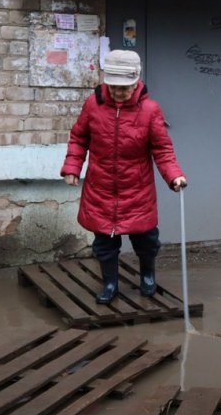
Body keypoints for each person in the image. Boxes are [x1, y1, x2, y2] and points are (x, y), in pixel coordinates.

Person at [61, 50, 187, 305]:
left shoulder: (150, 110)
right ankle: (110, 283)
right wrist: (72, 167)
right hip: (101, 187)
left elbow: (162, 149)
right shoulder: (92, 105)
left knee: (146, 239)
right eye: (115, 87)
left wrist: (174, 176)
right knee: (105, 242)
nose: (120, 93)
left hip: (137, 188)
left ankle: (148, 275)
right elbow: (79, 137)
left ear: (136, 82)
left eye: (126, 87)